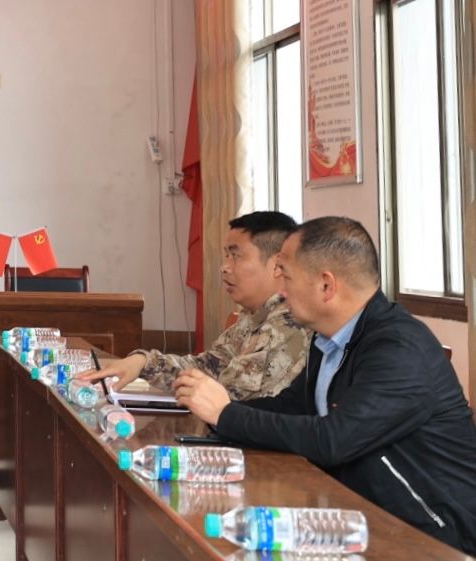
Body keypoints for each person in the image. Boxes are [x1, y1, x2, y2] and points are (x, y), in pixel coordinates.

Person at [175, 216, 476, 554]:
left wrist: (227, 414)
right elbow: (292, 407)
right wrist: (213, 416)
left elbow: (334, 439)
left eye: (287, 276)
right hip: (358, 523)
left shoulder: (399, 348)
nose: (281, 290)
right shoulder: (329, 339)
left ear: (326, 286)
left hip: (436, 540)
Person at [81, 212, 309, 400]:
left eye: (236, 256)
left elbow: (230, 397)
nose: (224, 267)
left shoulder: (289, 323)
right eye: (226, 256)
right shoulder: (253, 316)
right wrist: (143, 362)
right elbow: (208, 367)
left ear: (277, 264)